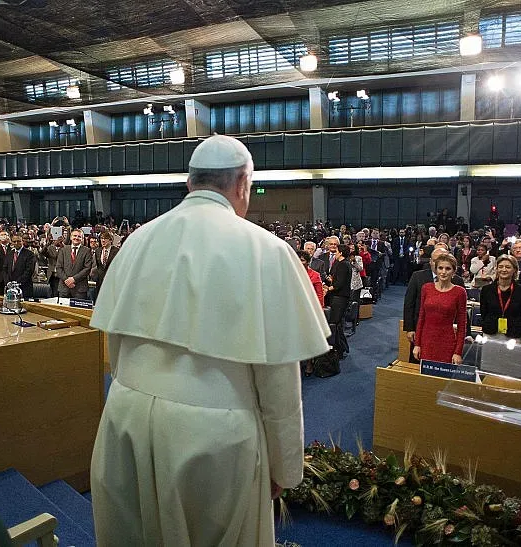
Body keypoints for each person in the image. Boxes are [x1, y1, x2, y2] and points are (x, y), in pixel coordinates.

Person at [89, 135, 330, 546]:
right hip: (212, 438)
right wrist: (283, 466)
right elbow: (279, 385)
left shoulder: (138, 239)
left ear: (190, 184)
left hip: (124, 419)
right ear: (242, 185)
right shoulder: (266, 251)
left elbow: (117, 343)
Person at [403, 247, 465, 356]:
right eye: (440, 268)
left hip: (447, 341)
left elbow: (462, 323)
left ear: (453, 271)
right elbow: (416, 311)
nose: (443, 272)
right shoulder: (426, 287)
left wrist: (458, 352)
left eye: (448, 268)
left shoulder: (459, 291)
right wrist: (417, 343)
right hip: (425, 339)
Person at [479, 255, 521, 339]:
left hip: (514, 335)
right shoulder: (486, 290)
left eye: (508, 267)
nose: (504, 270)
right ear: (496, 269)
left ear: (514, 270)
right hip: (490, 333)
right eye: (500, 267)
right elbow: (484, 313)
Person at [323, 243, 352, 359]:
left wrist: (328, 288)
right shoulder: (344, 264)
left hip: (340, 298)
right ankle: (341, 348)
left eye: (337, 251)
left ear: (340, 253)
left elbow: (339, 284)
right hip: (340, 297)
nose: (335, 253)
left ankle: (339, 349)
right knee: (337, 324)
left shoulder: (343, 265)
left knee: (335, 323)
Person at [54, 228, 93, 300]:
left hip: (80, 289)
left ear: (82, 239)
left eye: (79, 236)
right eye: (75, 236)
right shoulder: (63, 250)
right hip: (64, 288)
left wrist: (73, 279)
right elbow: (59, 268)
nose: (76, 238)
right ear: (71, 237)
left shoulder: (87, 251)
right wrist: (67, 280)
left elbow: (87, 269)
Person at [4, 234, 37, 298]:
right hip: (10, 287)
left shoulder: (29, 254)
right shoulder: (9, 253)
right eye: (14, 241)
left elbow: (29, 271)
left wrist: (16, 283)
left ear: (22, 241)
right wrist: (8, 282)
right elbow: (5, 268)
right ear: (12, 242)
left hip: (24, 287)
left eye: (19, 241)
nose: (16, 243)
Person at [91, 231, 118, 299]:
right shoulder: (98, 251)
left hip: (112, 282)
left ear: (110, 240)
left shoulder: (117, 251)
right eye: (101, 238)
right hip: (100, 282)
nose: (103, 240)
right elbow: (99, 267)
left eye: (105, 238)